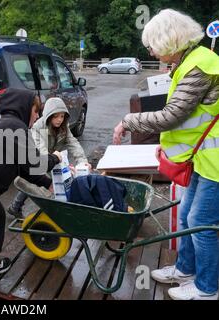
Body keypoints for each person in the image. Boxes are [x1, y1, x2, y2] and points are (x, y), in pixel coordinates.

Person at [113, 9, 219, 300]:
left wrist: (128, 121)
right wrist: (170, 147)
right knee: (186, 213)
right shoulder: (188, 63)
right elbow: (193, 120)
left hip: (216, 164)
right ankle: (186, 268)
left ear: (170, 40)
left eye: (152, 44)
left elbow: (172, 116)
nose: (149, 50)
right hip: (203, 159)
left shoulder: (201, 66)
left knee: (200, 221)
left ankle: (208, 288)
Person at [0, 88, 62, 280]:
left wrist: (47, 183)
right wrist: (55, 158)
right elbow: (36, 162)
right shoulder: (16, 127)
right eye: (35, 110)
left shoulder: (4, 124)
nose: (37, 115)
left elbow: (24, 166)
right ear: (24, 108)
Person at [7, 97, 90, 218]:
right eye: (56, 116)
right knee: (37, 180)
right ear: (48, 115)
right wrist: (62, 167)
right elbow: (42, 153)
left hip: (54, 157)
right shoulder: (37, 128)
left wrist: (83, 162)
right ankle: (18, 207)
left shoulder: (64, 126)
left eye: (62, 116)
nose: (59, 120)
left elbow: (73, 143)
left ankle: (15, 206)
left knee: (42, 182)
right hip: (40, 158)